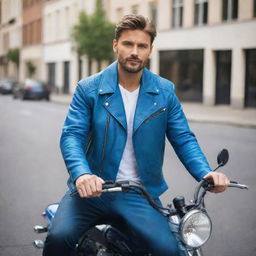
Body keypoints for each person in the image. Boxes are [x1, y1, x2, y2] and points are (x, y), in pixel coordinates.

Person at [43, 14, 229, 256]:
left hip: (140, 195)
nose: (135, 52)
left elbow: (183, 138)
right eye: (128, 44)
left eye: (142, 46)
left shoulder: (164, 91)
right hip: (91, 194)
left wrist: (206, 172)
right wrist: (82, 175)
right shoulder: (89, 89)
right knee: (58, 238)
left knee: (169, 250)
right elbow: (72, 136)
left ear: (150, 49)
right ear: (115, 45)